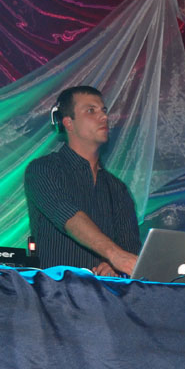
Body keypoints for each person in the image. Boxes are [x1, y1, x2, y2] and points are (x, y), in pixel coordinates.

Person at [24, 86, 140, 276]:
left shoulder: (117, 188)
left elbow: (130, 245)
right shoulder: (42, 169)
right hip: (55, 290)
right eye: (91, 110)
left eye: (104, 110)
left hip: (106, 293)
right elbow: (68, 216)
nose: (104, 117)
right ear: (68, 123)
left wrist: (115, 266)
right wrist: (115, 255)